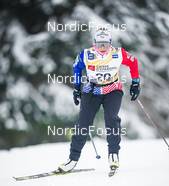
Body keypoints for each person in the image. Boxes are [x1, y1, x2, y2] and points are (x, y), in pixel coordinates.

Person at [58, 27, 140, 174]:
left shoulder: (118, 53)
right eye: (99, 44)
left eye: (106, 44)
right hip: (92, 90)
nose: (102, 48)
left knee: (111, 118)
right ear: (94, 43)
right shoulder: (86, 54)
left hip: (113, 89)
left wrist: (135, 83)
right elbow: (76, 68)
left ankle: (113, 154)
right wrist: (76, 88)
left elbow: (133, 62)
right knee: (83, 123)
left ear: (110, 43)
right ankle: (72, 159)